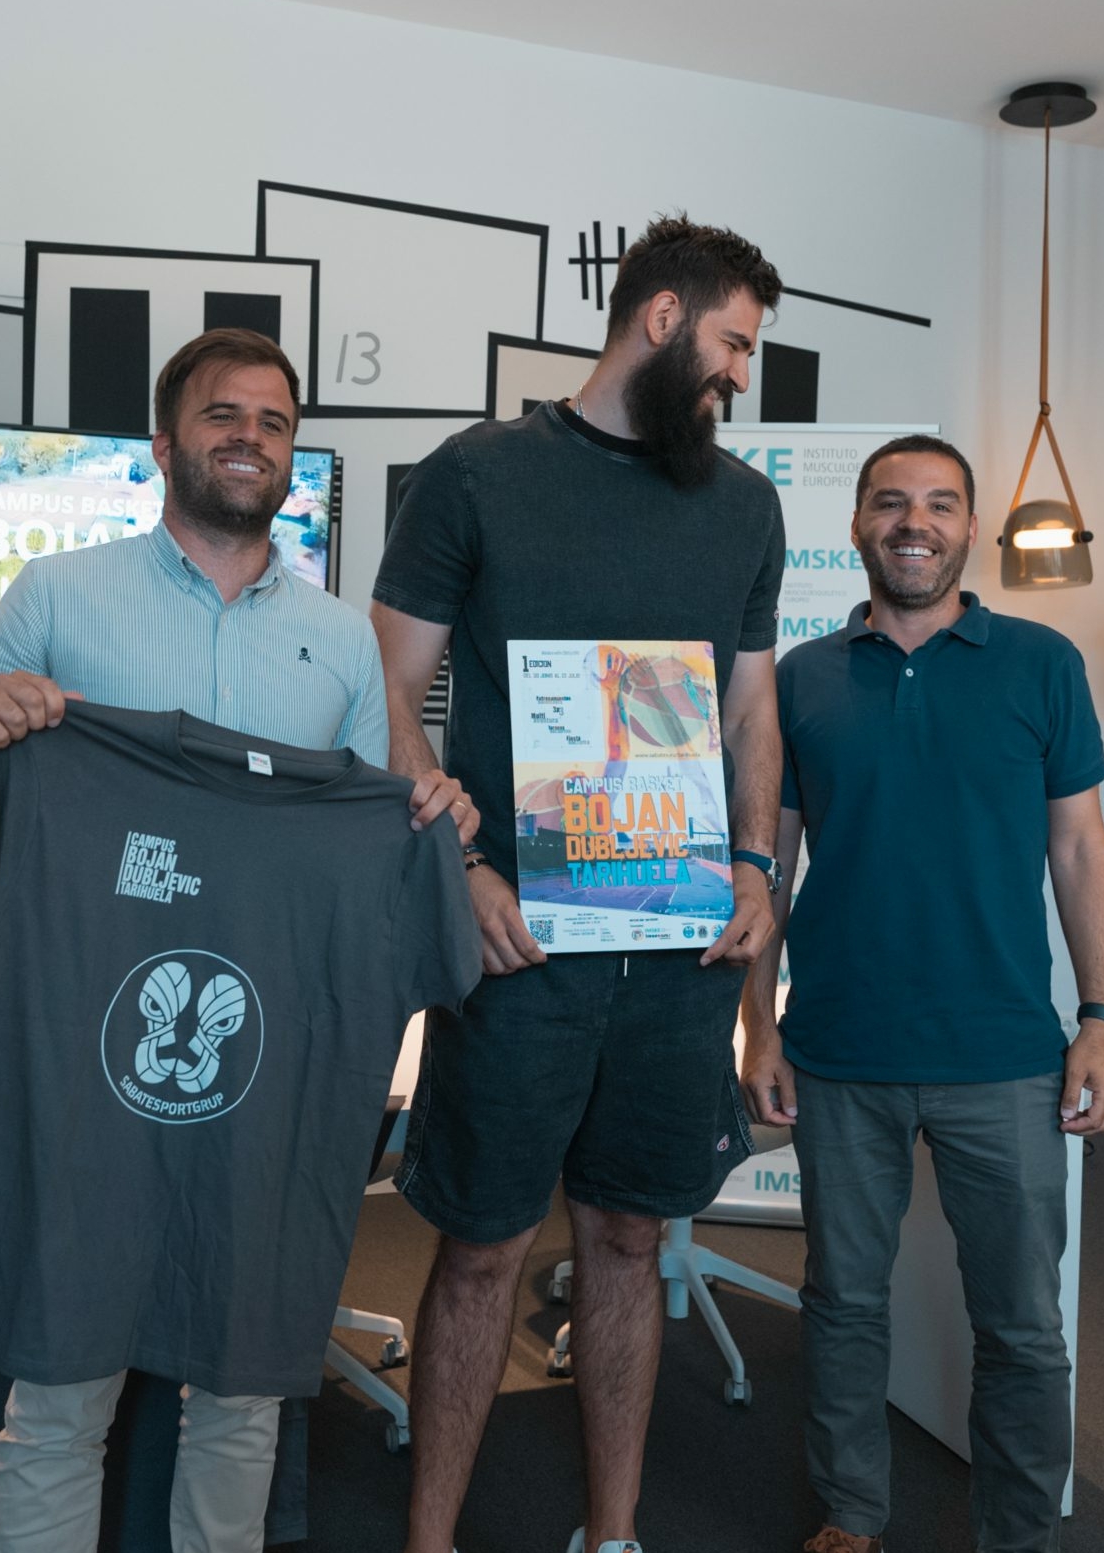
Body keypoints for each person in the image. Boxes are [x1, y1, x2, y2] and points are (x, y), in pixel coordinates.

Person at [0, 327, 478, 1553]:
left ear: (290, 454)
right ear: (165, 444)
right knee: (58, 1392)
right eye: (223, 416)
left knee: (245, 1390)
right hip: (84, 1080)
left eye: (272, 422)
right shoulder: (58, 600)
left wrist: (427, 818)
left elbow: (371, 847)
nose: (249, 438)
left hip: (270, 1087)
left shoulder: (339, 645)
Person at [371, 215, 788, 1553]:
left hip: (676, 957)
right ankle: (427, 1538)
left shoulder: (744, 506)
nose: (735, 378)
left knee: (627, 1242)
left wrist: (754, 860)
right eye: (729, 345)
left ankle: (610, 1535)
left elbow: (749, 715)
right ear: (660, 318)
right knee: (483, 1246)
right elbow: (385, 687)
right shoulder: (476, 474)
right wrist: (462, 861)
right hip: (520, 948)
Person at [738, 434, 1104, 1553]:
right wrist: (760, 1023)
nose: (917, 521)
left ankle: (1016, 1532)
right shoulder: (802, 677)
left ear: (969, 528)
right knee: (843, 1305)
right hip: (838, 1051)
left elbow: (1081, 851)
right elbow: (770, 867)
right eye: (893, 502)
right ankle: (853, 1512)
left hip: (1005, 1051)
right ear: (858, 523)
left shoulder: (1042, 662)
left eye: (941, 503)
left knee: (1020, 1324)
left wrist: (1099, 1020)